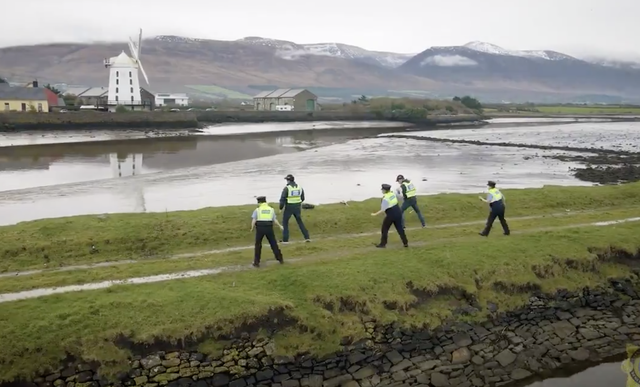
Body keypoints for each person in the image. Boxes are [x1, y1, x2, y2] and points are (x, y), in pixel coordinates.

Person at [371, 183, 409, 248]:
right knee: (400, 228)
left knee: (384, 229)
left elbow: (383, 209)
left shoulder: (385, 198)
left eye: (382, 189)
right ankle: (405, 243)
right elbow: (399, 197)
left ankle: (383, 244)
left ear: (385, 190)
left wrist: (375, 214)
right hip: (398, 212)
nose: (381, 190)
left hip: (391, 214)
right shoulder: (392, 194)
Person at [251, 196, 284, 267]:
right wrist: (280, 226)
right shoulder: (271, 209)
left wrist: (252, 227)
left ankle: (256, 262)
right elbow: (274, 219)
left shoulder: (257, 210)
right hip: (269, 227)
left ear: (259, 202)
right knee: (273, 243)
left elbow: (254, 220)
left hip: (260, 228)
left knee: (258, 245)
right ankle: (280, 259)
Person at [279, 174, 310, 243]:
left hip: (289, 207)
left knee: (285, 223)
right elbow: (302, 198)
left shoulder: (287, 188)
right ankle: (307, 237)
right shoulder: (299, 187)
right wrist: (298, 203)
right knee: (300, 222)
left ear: (288, 180)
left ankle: (285, 240)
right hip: (297, 207)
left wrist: (281, 207)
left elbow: (282, 198)